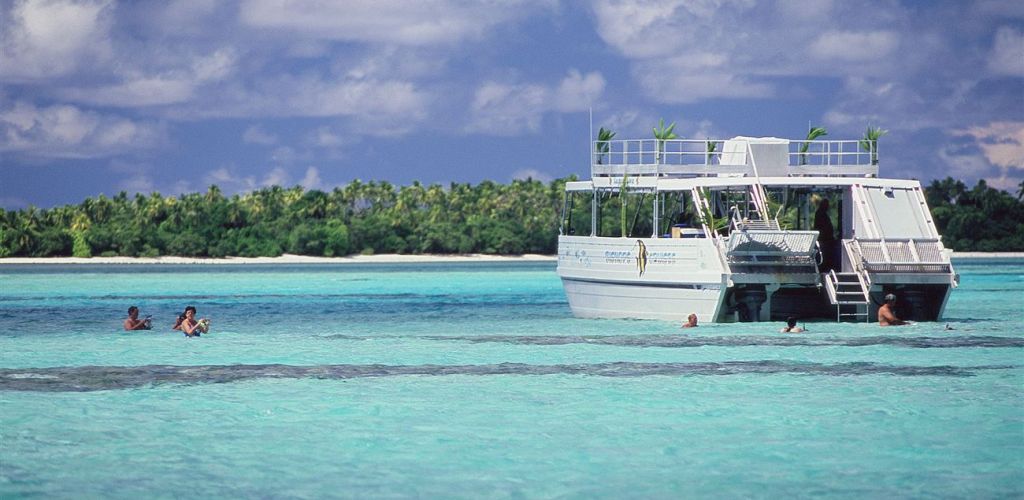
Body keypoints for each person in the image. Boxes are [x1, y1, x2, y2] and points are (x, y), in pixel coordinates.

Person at [814, 197, 836, 272]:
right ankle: (824, 269)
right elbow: (820, 226)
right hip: (824, 239)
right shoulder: (820, 213)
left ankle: (828, 267)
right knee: (824, 255)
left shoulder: (823, 213)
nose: (827, 207)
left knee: (828, 255)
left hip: (827, 239)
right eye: (826, 205)